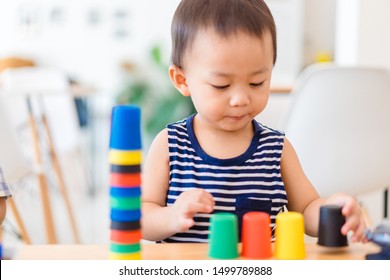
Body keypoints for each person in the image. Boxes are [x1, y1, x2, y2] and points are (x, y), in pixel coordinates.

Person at [141, 0, 366, 243]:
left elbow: (307, 209)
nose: (240, 99)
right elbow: (138, 217)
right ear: (182, 79)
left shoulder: (276, 149)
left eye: (257, 82)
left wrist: (334, 210)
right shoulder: (170, 145)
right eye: (221, 85)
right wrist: (171, 216)